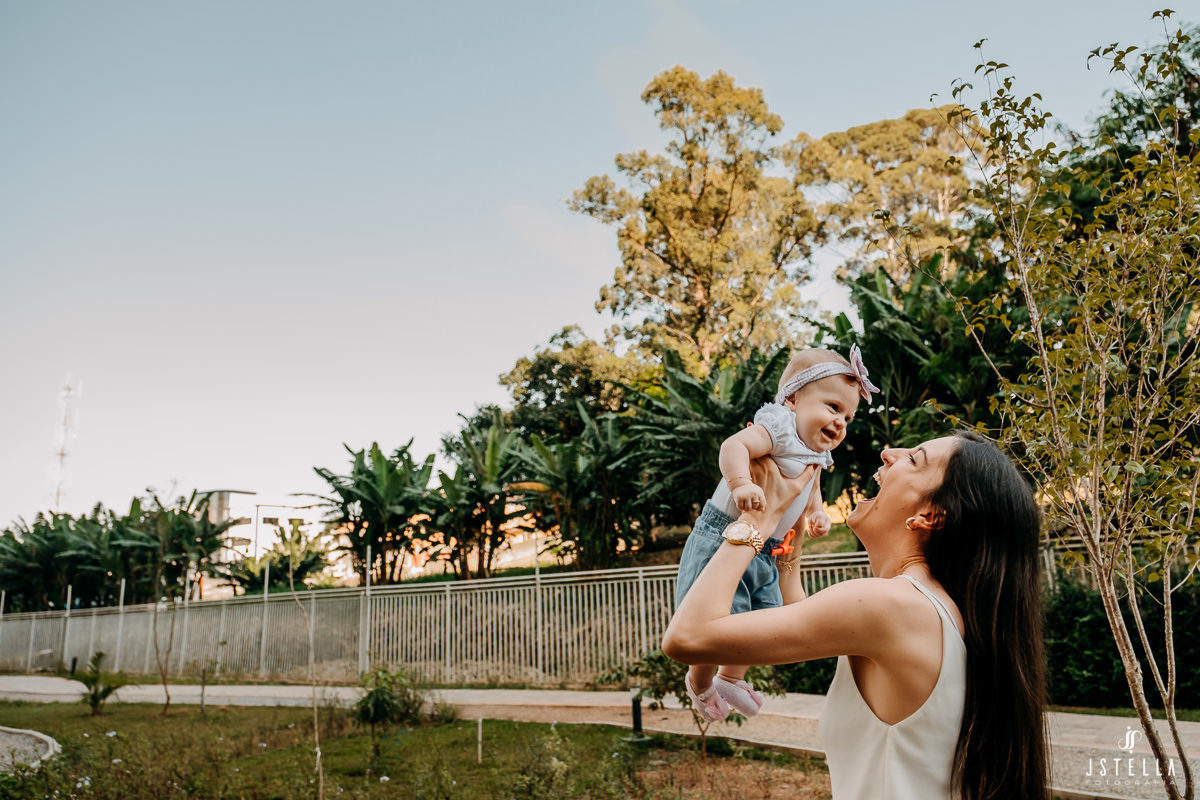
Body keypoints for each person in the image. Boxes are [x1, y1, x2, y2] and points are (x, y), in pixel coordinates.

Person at [663, 431, 1050, 800]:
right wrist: (786, 530)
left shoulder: (893, 606)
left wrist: (756, 522)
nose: (888, 454)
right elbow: (797, 615)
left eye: (914, 459)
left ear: (931, 516)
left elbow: (688, 638)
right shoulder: (930, 608)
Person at [673, 346, 879, 722]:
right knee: (718, 625)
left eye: (848, 417)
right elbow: (734, 445)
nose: (840, 422)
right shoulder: (779, 428)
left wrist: (816, 513)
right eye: (833, 407)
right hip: (724, 536)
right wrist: (740, 484)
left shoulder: (816, 455)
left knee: (759, 621)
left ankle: (730, 679)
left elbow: (811, 489)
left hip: (766, 549)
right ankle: (699, 683)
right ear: (793, 400)